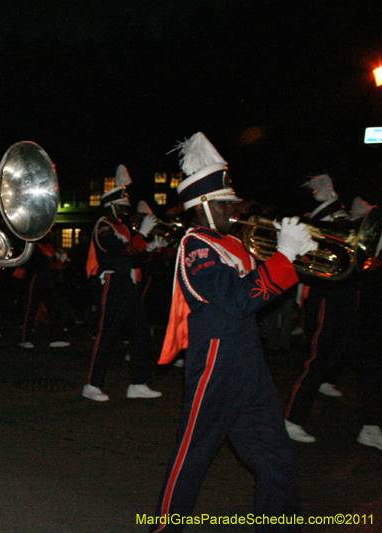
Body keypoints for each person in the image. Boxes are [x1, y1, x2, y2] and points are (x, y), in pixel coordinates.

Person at [150, 133, 316, 531]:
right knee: (194, 455)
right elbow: (240, 299)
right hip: (216, 364)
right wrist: (285, 257)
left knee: (275, 458)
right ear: (204, 205)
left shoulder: (230, 243)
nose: (236, 209)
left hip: (248, 364)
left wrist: (292, 253)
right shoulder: (197, 247)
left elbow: (261, 291)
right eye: (226, 203)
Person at [284, 179, 382, 448]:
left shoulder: (352, 222)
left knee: (371, 365)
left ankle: (372, 426)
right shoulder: (332, 219)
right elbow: (318, 228)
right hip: (331, 299)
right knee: (317, 360)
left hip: (354, 303)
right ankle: (291, 419)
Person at [83, 164, 162, 401]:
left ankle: (138, 383)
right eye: (123, 206)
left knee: (141, 333)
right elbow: (117, 254)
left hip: (126, 283)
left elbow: (133, 256)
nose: (127, 210)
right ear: (113, 205)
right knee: (107, 334)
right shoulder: (104, 225)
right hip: (112, 282)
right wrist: (142, 237)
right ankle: (92, 385)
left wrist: (149, 247)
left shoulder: (123, 228)